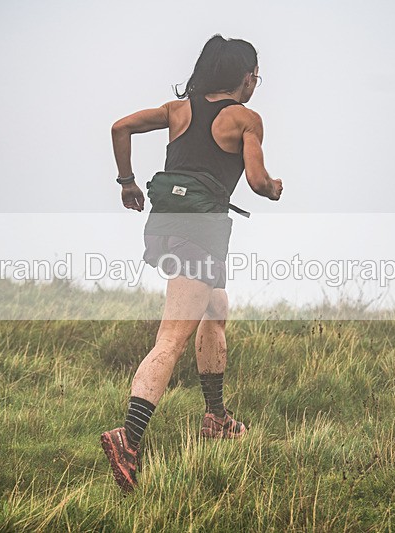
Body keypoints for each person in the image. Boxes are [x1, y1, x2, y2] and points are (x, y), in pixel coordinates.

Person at [101, 34, 283, 493]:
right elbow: (258, 181)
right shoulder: (245, 119)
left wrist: (127, 183)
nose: (256, 85)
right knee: (170, 340)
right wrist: (274, 186)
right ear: (245, 78)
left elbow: (119, 127)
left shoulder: (177, 110)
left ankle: (216, 417)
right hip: (201, 232)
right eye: (256, 77)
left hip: (165, 226)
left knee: (215, 310)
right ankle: (128, 438)